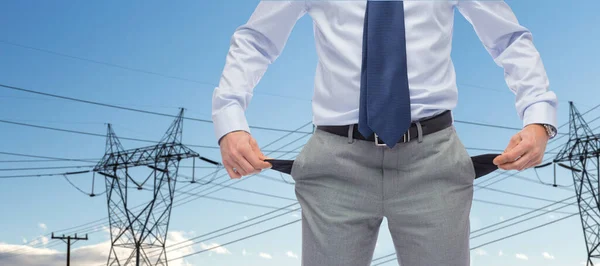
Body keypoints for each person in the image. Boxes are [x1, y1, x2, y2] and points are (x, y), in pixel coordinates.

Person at [211, 1, 558, 265]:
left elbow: (508, 39)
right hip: (335, 164)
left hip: (433, 161)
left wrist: (538, 117)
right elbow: (257, 40)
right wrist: (230, 121)